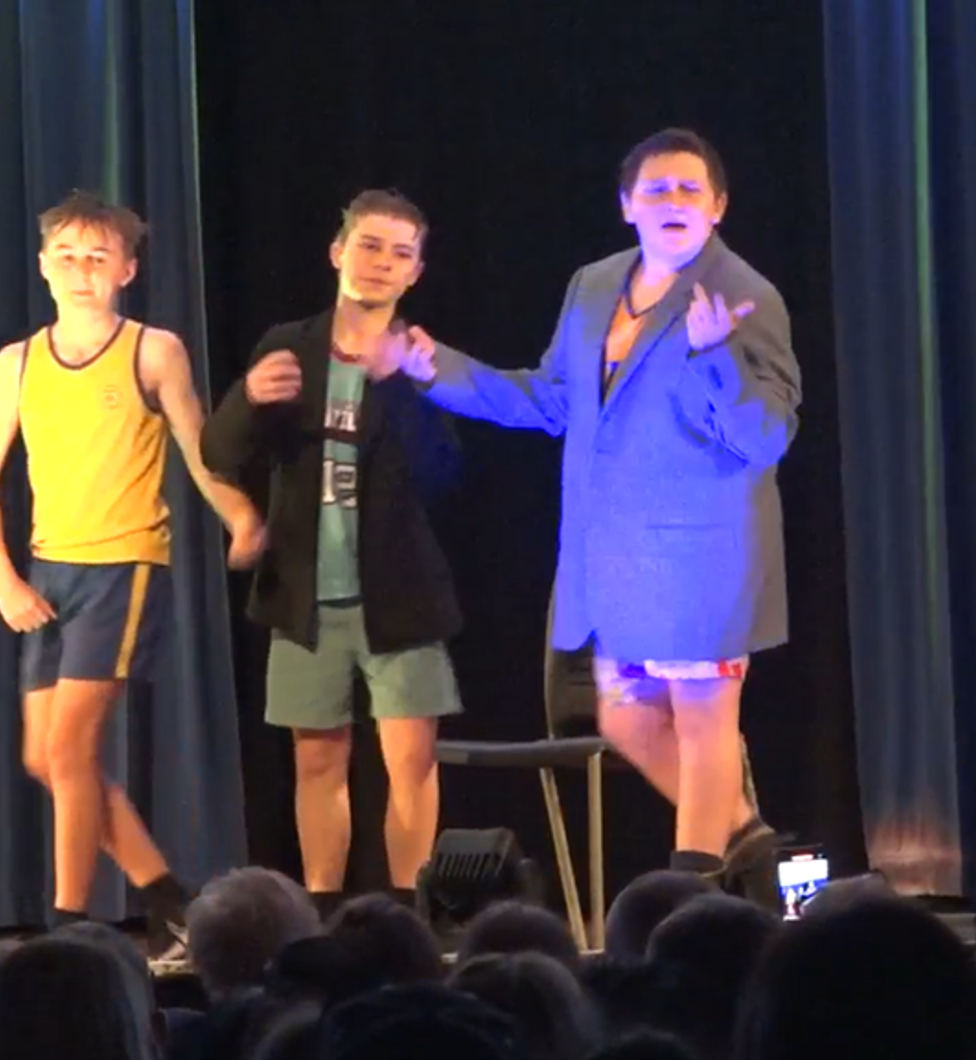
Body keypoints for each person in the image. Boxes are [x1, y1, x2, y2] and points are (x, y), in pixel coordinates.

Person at [397, 129, 801, 886]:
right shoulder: (594, 285)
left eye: (690, 189)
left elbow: (767, 436)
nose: (674, 201)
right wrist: (437, 371)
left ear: (717, 206)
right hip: (615, 560)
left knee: (704, 721)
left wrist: (715, 355)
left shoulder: (745, 294)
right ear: (627, 206)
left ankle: (689, 895)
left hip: (703, 556)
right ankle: (751, 843)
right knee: (623, 718)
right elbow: (553, 400)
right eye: (657, 189)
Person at [0, 189, 266, 957]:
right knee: (45, 758)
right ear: (42, 265)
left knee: (71, 752)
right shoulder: (17, 363)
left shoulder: (152, 351)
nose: (80, 271)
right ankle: (171, 902)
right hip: (47, 572)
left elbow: (198, 448)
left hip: (122, 566)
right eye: (66, 256)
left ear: (126, 269)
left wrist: (240, 517)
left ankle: (69, 927)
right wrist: (3, 577)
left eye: (97, 258)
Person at [200, 189, 463, 916]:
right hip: (305, 591)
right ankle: (320, 915)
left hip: (400, 595)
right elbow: (218, 453)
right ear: (338, 252)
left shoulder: (421, 358)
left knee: (410, 761)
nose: (382, 262)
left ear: (415, 272)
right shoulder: (289, 345)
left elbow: (445, 474)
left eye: (400, 253)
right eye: (369, 245)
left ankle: (408, 914)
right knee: (317, 759)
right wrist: (247, 397)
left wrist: (400, 385)